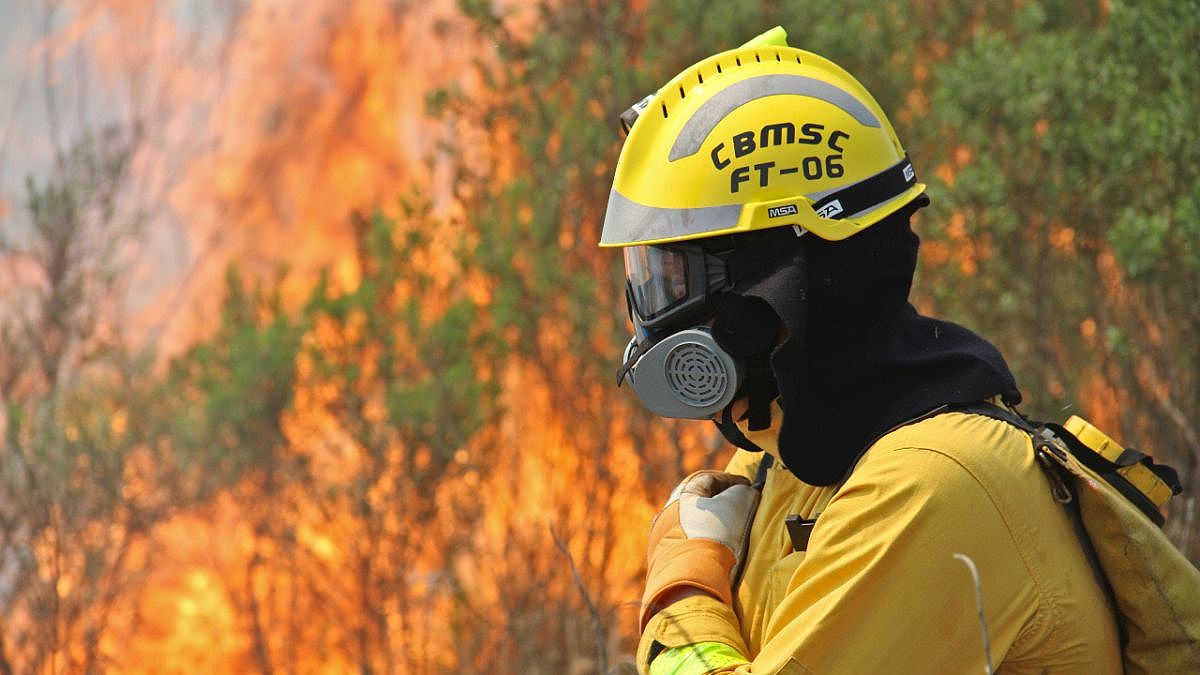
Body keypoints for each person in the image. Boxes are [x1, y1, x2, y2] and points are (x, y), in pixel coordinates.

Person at [599, 27, 1122, 674]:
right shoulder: (788, 456)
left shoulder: (929, 488)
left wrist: (684, 573)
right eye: (649, 280)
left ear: (779, 289)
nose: (651, 322)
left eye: (675, 280)